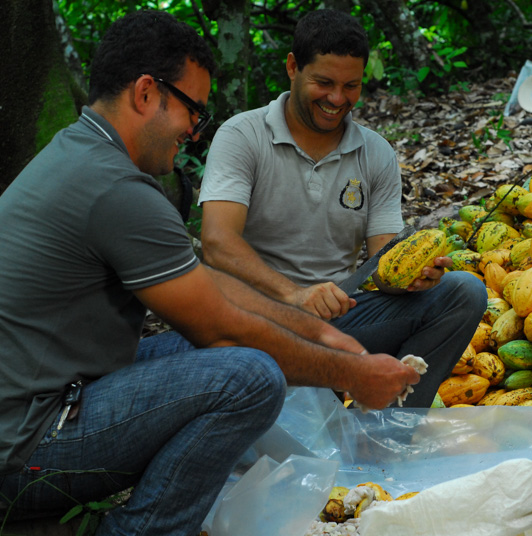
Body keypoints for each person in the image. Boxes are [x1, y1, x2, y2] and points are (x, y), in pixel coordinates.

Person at [0, 10, 421, 534]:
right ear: (146, 93)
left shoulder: (80, 152)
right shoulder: (116, 190)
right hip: (26, 446)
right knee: (251, 376)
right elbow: (220, 327)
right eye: (193, 111)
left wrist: (317, 332)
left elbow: (205, 283)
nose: (194, 133)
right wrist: (352, 374)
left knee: (219, 351)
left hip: (41, 407)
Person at [199, 9, 487, 407]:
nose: (337, 99)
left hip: (341, 317)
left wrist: (412, 277)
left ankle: (390, 429)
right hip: (255, 319)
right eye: (324, 83)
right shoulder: (243, 135)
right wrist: (294, 295)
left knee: (464, 291)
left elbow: (383, 265)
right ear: (292, 67)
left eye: (351, 86)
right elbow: (217, 242)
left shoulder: (375, 153)